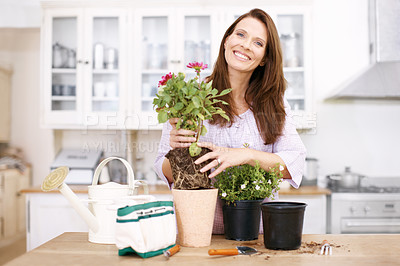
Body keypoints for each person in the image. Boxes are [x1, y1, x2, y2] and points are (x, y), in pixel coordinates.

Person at [153, 8, 306, 234]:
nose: (245, 45)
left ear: (264, 59)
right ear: (227, 41)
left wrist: (246, 155)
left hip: (254, 235)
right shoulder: (191, 96)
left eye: (258, 43)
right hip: (197, 232)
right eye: (241, 35)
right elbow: (164, 170)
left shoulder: (275, 105)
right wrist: (176, 153)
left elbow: (293, 165)